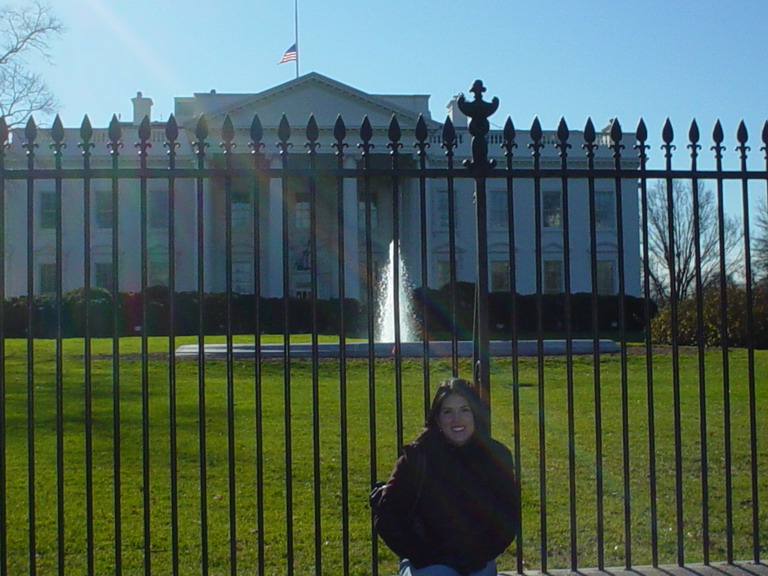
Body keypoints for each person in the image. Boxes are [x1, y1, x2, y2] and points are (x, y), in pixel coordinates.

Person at [374, 377, 520, 576]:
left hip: (477, 559)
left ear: (475, 414)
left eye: (464, 410)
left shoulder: (496, 456)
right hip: (428, 561)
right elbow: (387, 515)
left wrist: (480, 554)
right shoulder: (417, 457)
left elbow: (509, 515)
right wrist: (422, 555)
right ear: (437, 419)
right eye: (447, 412)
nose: (457, 419)